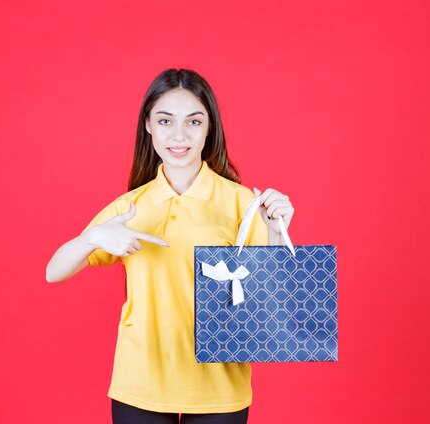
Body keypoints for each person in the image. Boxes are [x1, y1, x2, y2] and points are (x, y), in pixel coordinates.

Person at [46, 68, 295, 424]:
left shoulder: (242, 202)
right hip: (141, 382)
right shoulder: (131, 206)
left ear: (210, 128)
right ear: (147, 125)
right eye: (165, 121)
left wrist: (274, 232)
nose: (179, 135)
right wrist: (92, 238)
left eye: (194, 122)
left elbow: (268, 297)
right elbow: (53, 272)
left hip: (220, 385)